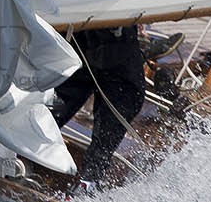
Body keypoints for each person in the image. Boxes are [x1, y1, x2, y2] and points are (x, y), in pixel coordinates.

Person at [49, 26, 148, 186]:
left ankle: (88, 182)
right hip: (88, 42)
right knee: (47, 115)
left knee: (49, 113)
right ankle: (88, 181)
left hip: (99, 44)